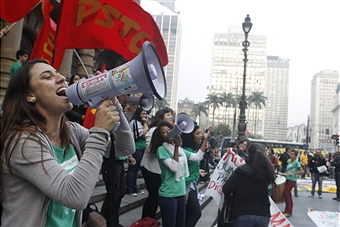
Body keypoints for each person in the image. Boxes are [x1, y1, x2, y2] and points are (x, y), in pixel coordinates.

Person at [0, 59, 133, 226]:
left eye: (59, 73)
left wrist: (113, 101)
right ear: (30, 95)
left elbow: (123, 148)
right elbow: (74, 196)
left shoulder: (71, 131)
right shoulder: (22, 142)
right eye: (47, 77)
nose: (62, 78)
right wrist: (99, 132)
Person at [150, 121, 211, 227]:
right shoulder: (162, 149)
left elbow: (197, 157)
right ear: (161, 137)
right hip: (168, 194)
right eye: (163, 132)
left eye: (169, 130)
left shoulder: (181, 150)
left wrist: (205, 139)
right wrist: (177, 147)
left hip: (181, 193)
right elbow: (175, 167)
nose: (167, 133)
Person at [222, 143, 276, 226]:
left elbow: (227, 188)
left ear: (249, 155)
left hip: (242, 213)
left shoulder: (241, 171)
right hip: (263, 214)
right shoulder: (267, 173)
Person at [140, 107, 173, 219]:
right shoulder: (153, 130)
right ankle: (145, 221)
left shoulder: (169, 133)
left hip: (159, 170)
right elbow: (150, 149)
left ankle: (150, 220)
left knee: (156, 198)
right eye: (168, 115)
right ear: (161, 116)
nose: (171, 117)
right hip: (150, 168)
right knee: (153, 196)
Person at [181, 123, 212, 227]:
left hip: (193, 184)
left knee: (189, 214)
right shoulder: (185, 151)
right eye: (197, 133)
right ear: (190, 135)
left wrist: (197, 171)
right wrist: (205, 140)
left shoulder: (191, 150)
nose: (200, 136)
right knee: (196, 213)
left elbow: (190, 166)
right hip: (187, 185)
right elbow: (197, 157)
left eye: (201, 134)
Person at [126, 107, 149, 196]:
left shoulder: (141, 123)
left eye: (145, 114)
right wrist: (145, 123)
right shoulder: (135, 122)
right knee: (132, 169)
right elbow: (144, 135)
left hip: (142, 148)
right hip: (136, 148)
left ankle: (134, 188)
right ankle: (129, 188)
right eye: (142, 114)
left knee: (136, 170)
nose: (144, 116)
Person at [278, 149, 304, 217]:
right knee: (288, 195)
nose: (291, 155)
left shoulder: (296, 163)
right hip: (287, 178)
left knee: (286, 194)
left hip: (292, 180)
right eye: (290, 154)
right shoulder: (289, 162)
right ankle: (288, 209)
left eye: (293, 154)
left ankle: (288, 211)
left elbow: (302, 171)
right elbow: (288, 171)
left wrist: (294, 173)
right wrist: (283, 174)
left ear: (295, 156)